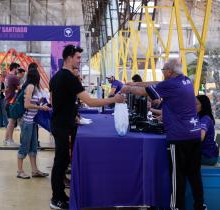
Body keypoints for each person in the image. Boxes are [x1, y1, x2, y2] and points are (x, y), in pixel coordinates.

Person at [121, 58, 205, 210]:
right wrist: (136, 83)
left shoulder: (170, 84)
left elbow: (146, 91)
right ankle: (200, 205)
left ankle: (176, 207)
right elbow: (154, 84)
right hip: (194, 134)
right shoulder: (185, 80)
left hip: (179, 137)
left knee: (176, 177)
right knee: (194, 175)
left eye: (163, 70)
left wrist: (127, 88)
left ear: (169, 71)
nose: (162, 73)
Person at [49, 45, 124, 209]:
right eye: (77, 58)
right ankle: (56, 198)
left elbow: (54, 99)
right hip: (62, 125)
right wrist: (114, 100)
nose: (79, 61)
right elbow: (90, 102)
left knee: (63, 160)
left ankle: (61, 195)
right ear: (69, 58)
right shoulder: (69, 78)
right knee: (61, 161)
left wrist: (72, 113)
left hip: (60, 123)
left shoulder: (57, 76)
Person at [16, 65, 50, 179]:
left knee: (33, 146)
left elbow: (31, 103)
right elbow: (27, 105)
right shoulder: (30, 86)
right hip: (27, 122)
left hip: (32, 121)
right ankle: (20, 171)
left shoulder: (33, 87)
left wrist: (40, 102)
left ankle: (34, 170)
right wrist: (41, 108)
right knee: (25, 145)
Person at [196, 95, 219, 165]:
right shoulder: (198, 116)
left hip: (208, 157)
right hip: (205, 153)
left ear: (203, 106)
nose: (193, 106)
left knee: (179, 158)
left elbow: (200, 137)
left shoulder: (205, 119)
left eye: (196, 104)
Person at [4, 63, 21, 146]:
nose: (18, 70)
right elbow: (20, 88)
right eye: (18, 68)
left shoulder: (7, 76)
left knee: (10, 122)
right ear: (15, 68)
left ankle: (6, 139)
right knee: (12, 122)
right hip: (12, 102)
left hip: (7, 100)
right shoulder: (14, 77)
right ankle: (10, 140)